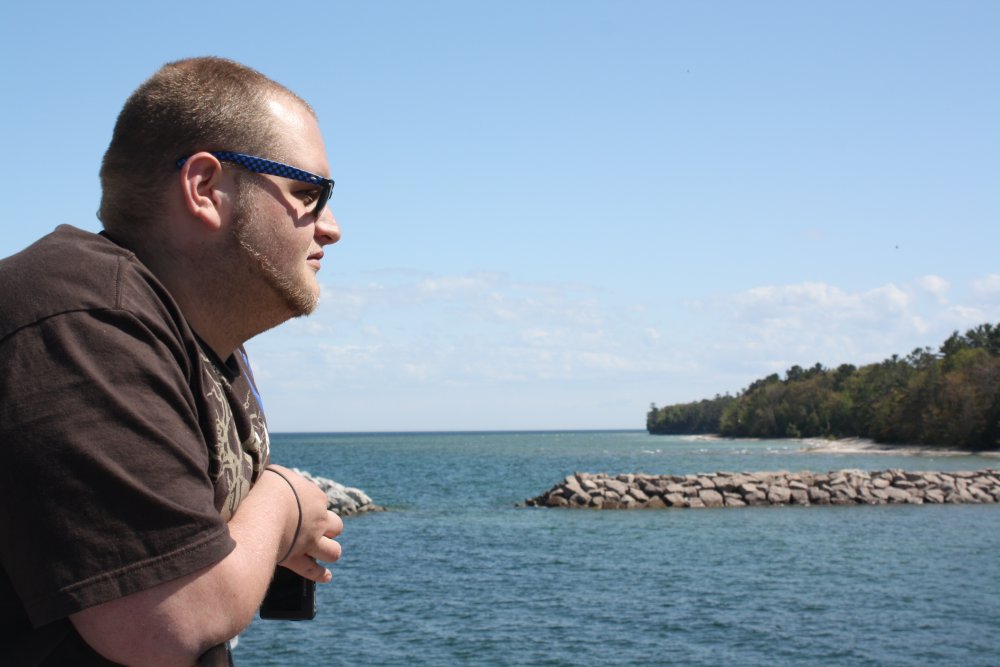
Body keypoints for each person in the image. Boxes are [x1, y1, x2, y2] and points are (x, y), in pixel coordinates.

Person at [0, 57, 344, 666]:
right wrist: (285, 502)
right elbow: (167, 619)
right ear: (206, 188)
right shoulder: (81, 315)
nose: (332, 228)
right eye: (308, 193)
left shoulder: (201, 338)